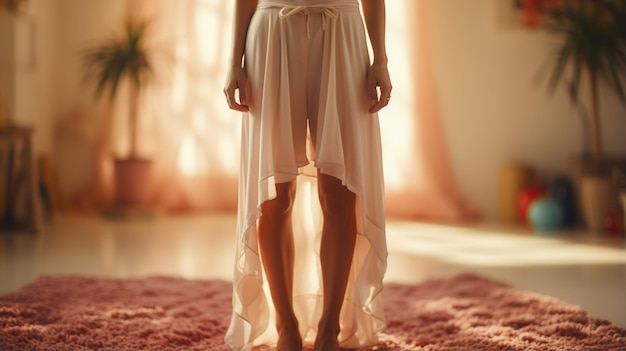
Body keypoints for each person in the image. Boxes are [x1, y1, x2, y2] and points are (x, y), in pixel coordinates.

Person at [223, 0, 391, 350]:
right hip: (271, 33)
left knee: (339, 194)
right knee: (275, 196)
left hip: (342, 32)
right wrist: (234, 61)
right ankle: (287, 327)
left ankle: (329, 328)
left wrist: (381, 59)